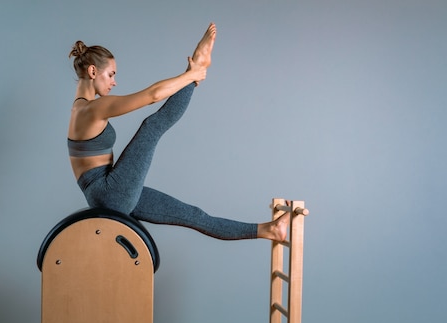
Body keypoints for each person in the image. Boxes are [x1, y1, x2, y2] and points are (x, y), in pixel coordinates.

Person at [67, 23, 288, 241]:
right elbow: (153, 95)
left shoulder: (83, 109)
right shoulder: (90, 110)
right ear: (93, 71)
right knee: (152, 126)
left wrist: (190, 77)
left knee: (192, 215)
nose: (114, 82)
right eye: (111, 74)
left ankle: (269, 230)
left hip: (110, 193)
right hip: (110, 193)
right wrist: (191, 76)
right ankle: (199, 66)